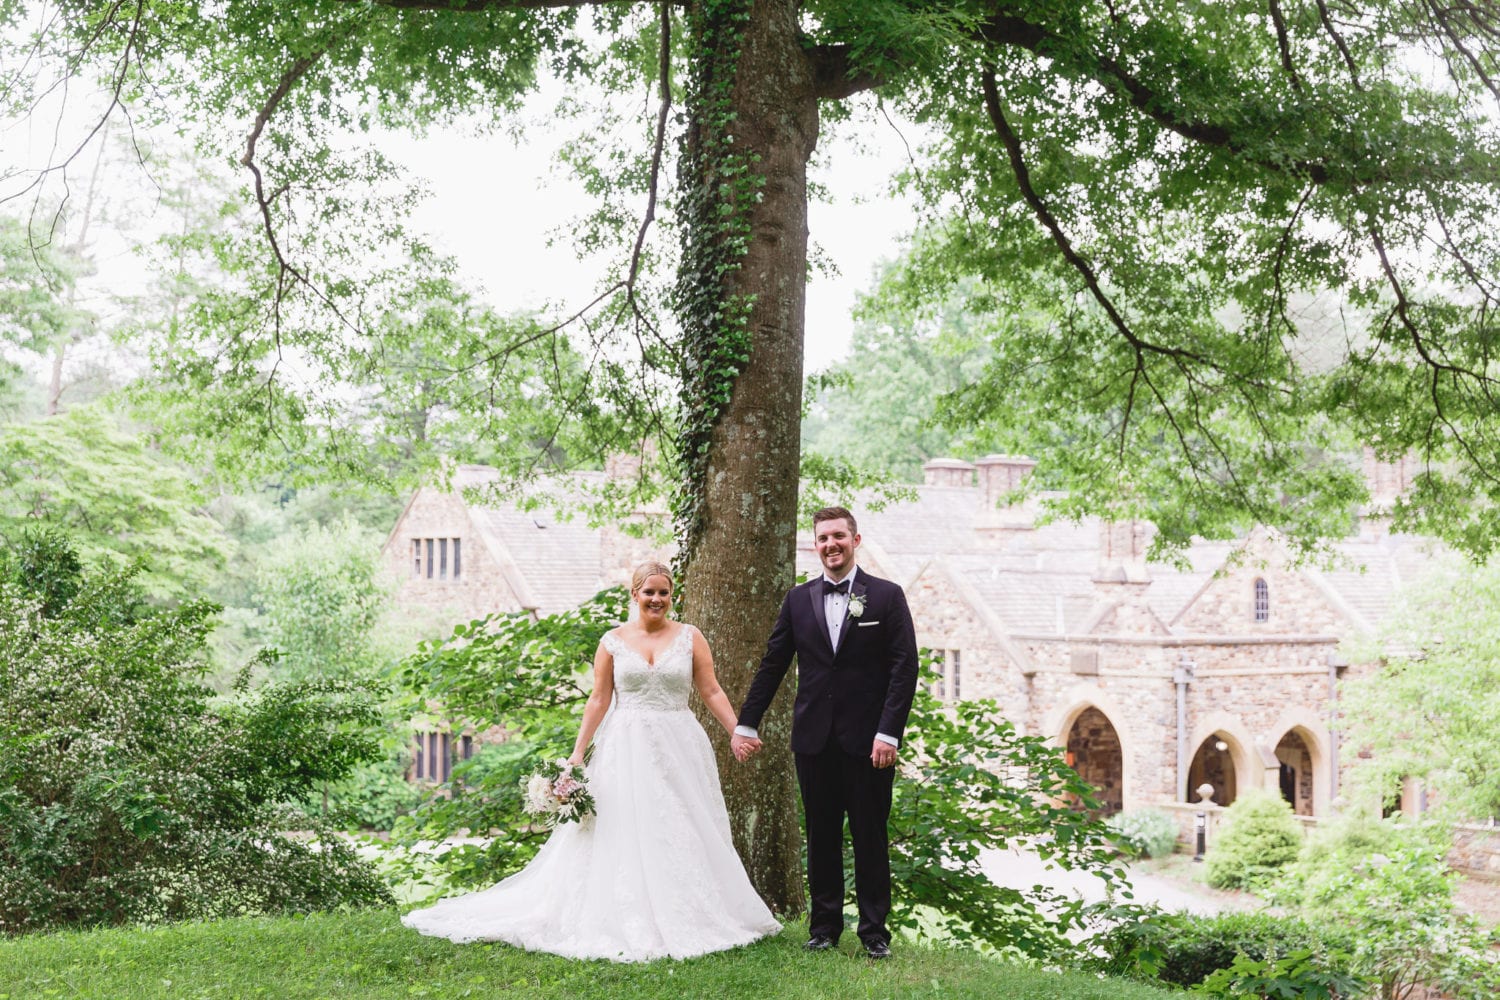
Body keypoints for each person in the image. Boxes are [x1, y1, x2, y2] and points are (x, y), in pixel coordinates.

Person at [403, 561, 780, 962]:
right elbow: (598, 699)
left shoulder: (691, 637)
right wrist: (577, 755)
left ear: (672, 597)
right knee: (624, 825)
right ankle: (624, 913)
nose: (656, 599)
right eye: (648, 592)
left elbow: (711, 690)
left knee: (680, 823)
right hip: (625, 744)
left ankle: (692, 911)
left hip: (679, 744)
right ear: (634, 595)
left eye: (664, 593)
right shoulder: (613, 641)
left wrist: (738, 731)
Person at [732, 506, 919, 960]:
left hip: (870, 743)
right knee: (821, 837)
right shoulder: (798, 600)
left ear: (856, 540)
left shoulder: (887, 596)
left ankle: (875, 933)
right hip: (813, 740)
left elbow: (904, 668)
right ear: (815, 545)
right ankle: (824, 929)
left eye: (838, 536)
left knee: (870, 835)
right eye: (822, 538)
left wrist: (888, 733)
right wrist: (746, 721)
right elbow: (774, 662)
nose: (830, 545)